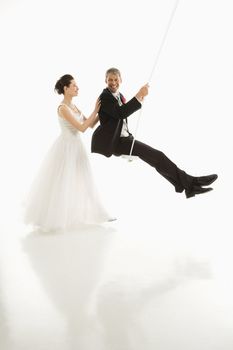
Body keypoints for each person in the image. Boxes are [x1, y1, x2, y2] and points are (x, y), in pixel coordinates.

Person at [91, 67, 218, 198]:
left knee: (156, 160)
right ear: (105, 80)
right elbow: (120, 113)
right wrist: (138, 96)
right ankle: (191, 183)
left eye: (116, 79)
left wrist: (139, 98)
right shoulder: (105, 96)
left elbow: (121, 115)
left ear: (121, 80)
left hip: (125, 139)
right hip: (116, 142)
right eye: (110, 80)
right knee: (158, 157)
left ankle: (183, 185)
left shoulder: (119, 95)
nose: (113, 82)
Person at [24, 74, 112, 232]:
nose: (77, 88)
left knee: (86, 178)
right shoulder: (63, 108)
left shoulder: (74, 106)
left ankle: (100, 214)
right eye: (74, 85)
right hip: (66, 148)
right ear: (65, 89)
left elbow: (90, 124)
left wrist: (104, 110)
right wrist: (95, 110)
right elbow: (82, 128)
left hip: (77, 147)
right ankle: (57, 219)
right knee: (62, 183)